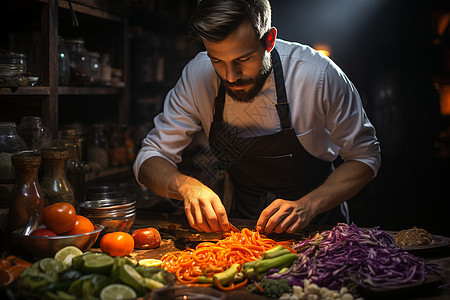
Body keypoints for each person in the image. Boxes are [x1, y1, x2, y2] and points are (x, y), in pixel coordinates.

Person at [133, 0, 381, 234]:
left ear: (269, 40)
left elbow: (365, 157)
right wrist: (186, 187)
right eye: (217, 60)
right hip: (240, 227)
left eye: (243, 59)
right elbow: (149, 158)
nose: (230, 76)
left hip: (320, 227)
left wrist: (309, 205)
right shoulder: (197, 75)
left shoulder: (318, 75)